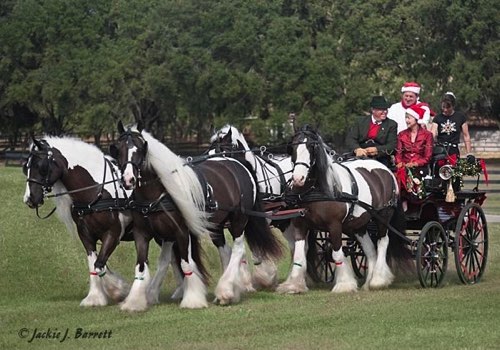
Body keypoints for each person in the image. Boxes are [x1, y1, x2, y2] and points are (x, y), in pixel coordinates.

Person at [395, 105, 434, 199]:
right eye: (406, 117)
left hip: (420, 167)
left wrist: (415, 163)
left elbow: (427, 157)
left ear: (416, 119)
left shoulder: (427, 135)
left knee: (413, 176)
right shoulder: (401, 134)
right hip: (404, 167)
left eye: (409, 118)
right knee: (398, 175)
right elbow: (398, 153)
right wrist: (399, 162)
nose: (406, 120)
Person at [346, 96, 397, 167]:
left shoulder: (391, 124)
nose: (384, 112)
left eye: (385, 109)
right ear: (373, 110)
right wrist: (357, 149)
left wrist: (377, 150)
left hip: (380, 159)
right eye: (381, 110)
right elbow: (351, 139)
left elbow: (392, 145)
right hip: (359, 156)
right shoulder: (360, 121)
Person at [430, 92, 473, 161]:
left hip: (453, 150)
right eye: (443, 107)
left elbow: (466, 135)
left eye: (448, 107)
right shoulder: (437, 118)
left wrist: (469, 153)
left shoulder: (460, 117)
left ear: (453, 106)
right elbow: (432, 134)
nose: (445, 110)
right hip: (440, 149)